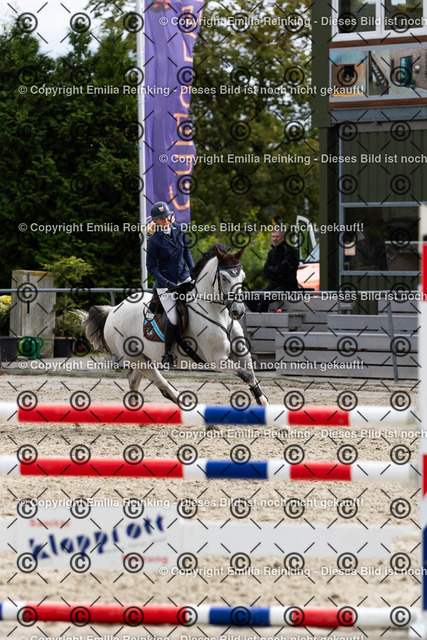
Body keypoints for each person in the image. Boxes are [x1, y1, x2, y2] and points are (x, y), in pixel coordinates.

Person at [146, 201, 194, 366]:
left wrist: (193, 271)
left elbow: (187, 253)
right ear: (156, 221)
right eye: (162, 218)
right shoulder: (154, 240)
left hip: (184, 277)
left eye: (167, 216)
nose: (166, 220)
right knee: (173, 318)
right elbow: (151, 268)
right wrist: (166, 282)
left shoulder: (180, 230)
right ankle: (167, 354)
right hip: (166, 285)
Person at [256, 228, 300, 312]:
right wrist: (276, 271)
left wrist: (272, 270)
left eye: (277, 237)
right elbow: (266, 271)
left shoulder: (290, 251)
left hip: (287, 286)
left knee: (265, 297)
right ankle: (258, 317)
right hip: (272, 285)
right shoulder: (271, 252)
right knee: (250, 297)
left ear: (282, 238)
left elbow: (282, 270)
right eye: (273, 237)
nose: (274, 239)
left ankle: (261, 318)